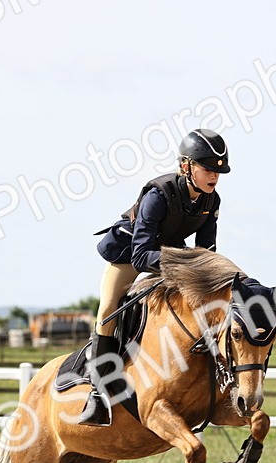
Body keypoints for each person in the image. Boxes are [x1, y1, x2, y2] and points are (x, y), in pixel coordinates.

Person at [81, 128, 231, 425]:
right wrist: (184, 262)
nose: (214, 176)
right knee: (109, 309)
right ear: (187, 166)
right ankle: (97, 392)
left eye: (218, 171)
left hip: (170, 254)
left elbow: (206, 250)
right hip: (129, 253)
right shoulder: (158, 194)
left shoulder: (211, 201)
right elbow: (141, 255)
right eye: (207, 169)